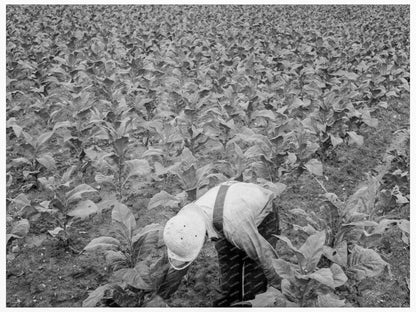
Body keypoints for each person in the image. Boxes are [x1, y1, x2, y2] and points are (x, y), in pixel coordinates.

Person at [162, 180, 282, 306]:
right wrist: (163, 295)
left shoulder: (236, 228)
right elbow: (181, 260)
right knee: (229, 283)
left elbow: (266, 257)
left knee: (253, 286)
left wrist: (289, 292)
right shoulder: (187, 221)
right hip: (226, 213)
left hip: (262, 215)